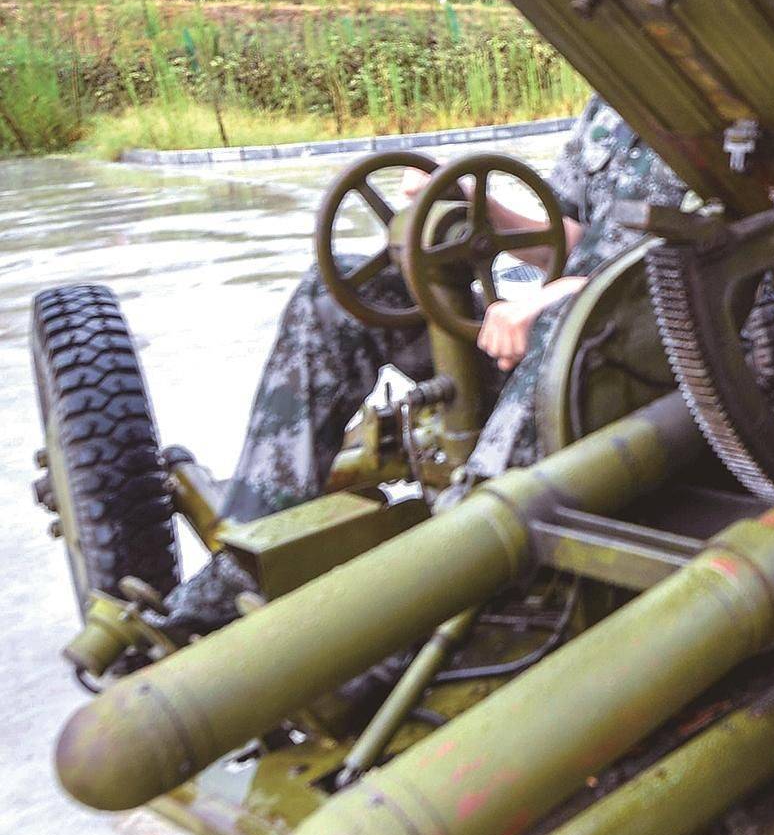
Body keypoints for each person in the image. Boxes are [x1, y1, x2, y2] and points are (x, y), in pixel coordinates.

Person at [154, 96, 684, 636]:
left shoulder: (729, 103)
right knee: (334, 295)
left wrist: (557, 302)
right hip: (563, 335)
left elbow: (696, 261)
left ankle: (454, 572)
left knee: (558, 331)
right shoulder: (613, 103)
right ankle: (249, 552)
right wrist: (483, 210)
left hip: (656, 367)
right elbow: (565, 240)